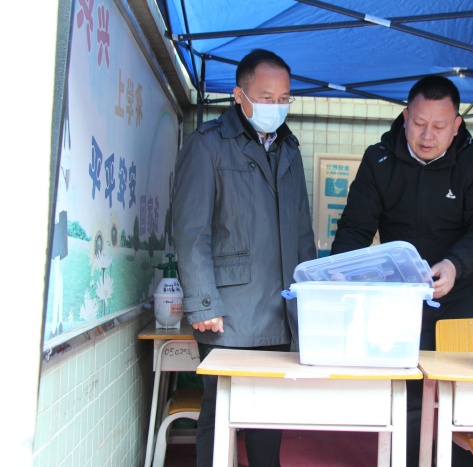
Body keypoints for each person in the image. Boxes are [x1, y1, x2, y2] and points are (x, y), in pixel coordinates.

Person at [331, 75, 473, 466]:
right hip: (401, 302)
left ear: (456, 125)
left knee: (462, 394)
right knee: (406, 393)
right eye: (420, 123)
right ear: (405, 116)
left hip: (461, 296)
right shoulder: (379, 160)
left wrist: (456, 264)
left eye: (440, 126)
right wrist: (341, 268)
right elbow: (356, 225)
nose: (428, 135)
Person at [172, 48, 316, 467]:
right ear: (239, 95)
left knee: (269, 417)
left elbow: (303, 233)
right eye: (266, 97)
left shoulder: (290, 149)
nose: (276, 107)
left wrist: (309, 300)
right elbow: (190, 231)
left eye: (284, 98)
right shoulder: (208, 145)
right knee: (220, 414)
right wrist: (203, 302)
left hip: (280, 309)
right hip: (228, 313)